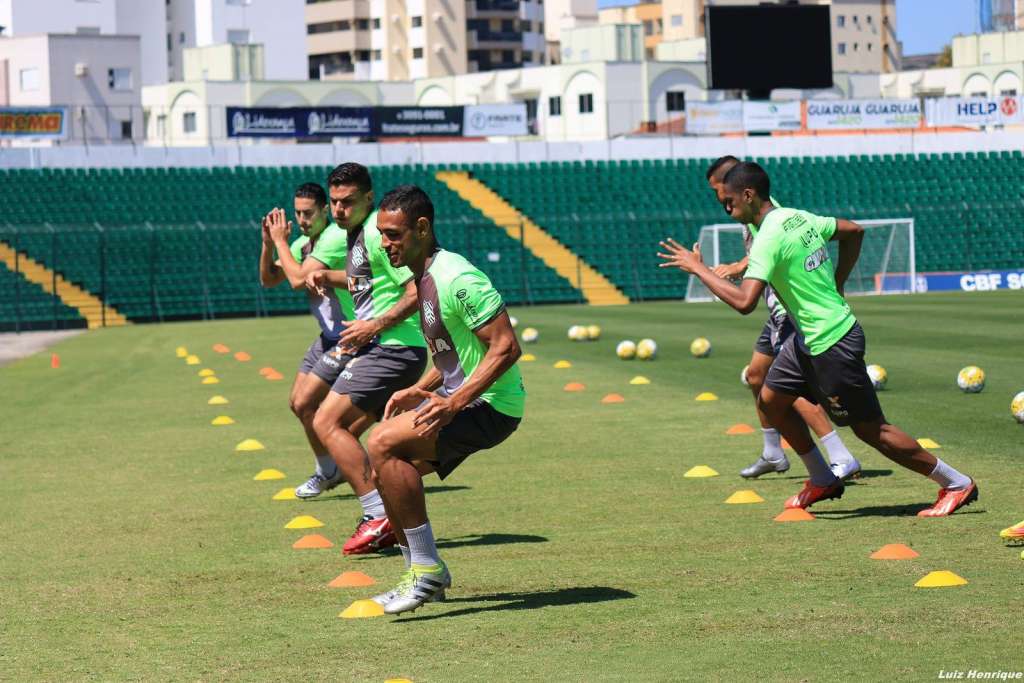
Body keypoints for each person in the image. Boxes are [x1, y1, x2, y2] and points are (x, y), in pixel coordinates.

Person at [658, 161, 977, 515]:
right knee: (770, 399)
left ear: (748, 195)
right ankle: (822, 478)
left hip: (831, 341)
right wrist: (838, 281)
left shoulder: (768, 238)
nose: (727, 207)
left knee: (873, 431)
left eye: (729, 201)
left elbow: (744, 302)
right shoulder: (796, 216)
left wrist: (699, 268)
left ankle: (955, 482)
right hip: (806, 341)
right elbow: (853, 231)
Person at [364, 185, 525, 615]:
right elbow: (457, 350)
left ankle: (427, 569)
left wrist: (453, 402)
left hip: (491, 404)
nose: (385, 244)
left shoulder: (458, 276)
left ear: (422, 228)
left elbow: (506, 348)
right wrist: (427, 386)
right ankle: (418, 573)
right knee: (384, 470)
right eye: (381, 234)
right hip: (465, 398)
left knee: (381, 442)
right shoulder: (423, 275)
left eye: (394, 234)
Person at [703, 156, 860, 480]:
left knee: (785, 385)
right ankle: (774, 452)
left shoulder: (757, 211)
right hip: (776, 310)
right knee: (757, 376)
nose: (718, 198)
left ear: (734, 187)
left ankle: (839, 455)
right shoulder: (746, 210)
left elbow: (769, 247)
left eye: (717, 189)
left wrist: (732, 268)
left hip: (788, 308)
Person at [310, 164, 429, 555]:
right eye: (335, 202)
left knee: (326, 421)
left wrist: (373, 325)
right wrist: (329, 277)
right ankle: (393, 515)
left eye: (348, 201)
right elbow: (368, 282)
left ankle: (377, 514)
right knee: (369, 438)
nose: (340, 209)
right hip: (384, 345)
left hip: (393, 346)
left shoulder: (376, 239)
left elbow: (415, 292)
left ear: (368, 197)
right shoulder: (355, 237)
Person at [258, 183, 354, 500]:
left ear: (325, 210)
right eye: (297, 212)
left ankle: (336, 469)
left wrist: (280, 243)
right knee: (297, 404)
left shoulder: (332, 238)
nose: (302, 218)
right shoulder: (302, 243)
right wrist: (268, 246)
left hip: (350, 336)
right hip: (327, 337)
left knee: (307, 404)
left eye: (308, 213)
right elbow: (270, 279)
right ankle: (330, 469)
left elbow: (298, 280)